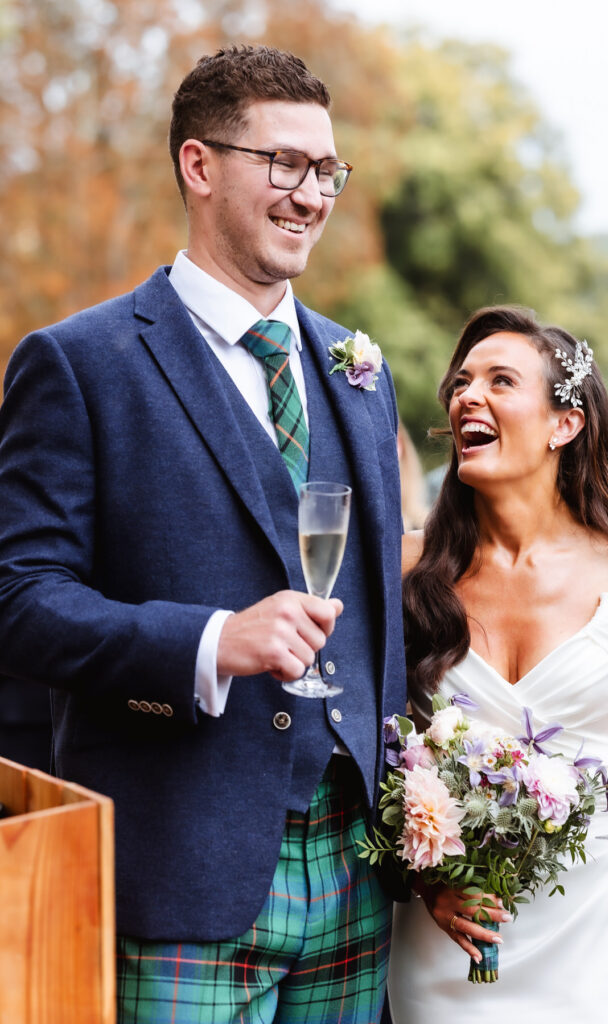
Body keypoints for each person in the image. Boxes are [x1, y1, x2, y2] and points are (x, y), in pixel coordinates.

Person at [0, 45, 407, 1023]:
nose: (311, 195)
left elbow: (382, 611)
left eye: (324, 171)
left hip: (354, 876)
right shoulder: (78, 363)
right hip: (179, 870)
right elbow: (19, 602)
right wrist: (210, 641)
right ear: (198, 164)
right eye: (283, 164)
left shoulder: (357, 367)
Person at [388, 305, 608, 1023]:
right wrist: (423, 881)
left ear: (564, 424)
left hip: (597, 935)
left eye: (498, 380)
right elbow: (364, 745)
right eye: (460, 383)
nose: (467, 397)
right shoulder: (407, 570)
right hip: (451, 935)